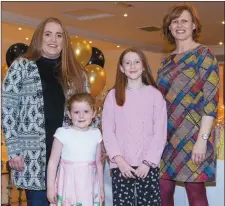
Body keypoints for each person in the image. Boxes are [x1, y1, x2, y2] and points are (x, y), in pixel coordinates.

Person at [1, 17, 88, 206]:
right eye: (48, 34)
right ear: (39, 37)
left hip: (70, 157)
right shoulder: (21, 67)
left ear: (65, 41)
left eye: (59, 35)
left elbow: (88, 112)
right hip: (31, 157)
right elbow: (7, 110)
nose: (53, 40)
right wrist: (13, 150)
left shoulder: (76, 73)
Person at [156, 4, 220, 206]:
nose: (179, 25)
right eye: (174, 21)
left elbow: (211, 101)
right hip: (166, 138)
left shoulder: (204, 55)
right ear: (169, 27)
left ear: (194, 25)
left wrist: (202, 139)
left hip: (193, 135)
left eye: (184, 20)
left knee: (195, 192)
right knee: (163, 190)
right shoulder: (166, 61)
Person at [102, 48, 167, 206]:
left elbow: (160, 132)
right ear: (121, 68)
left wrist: (148, 163)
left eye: (137, 62)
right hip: (122, 165)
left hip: (148, 165)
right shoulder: (113, 95)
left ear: (144, 66)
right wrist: (119, 160)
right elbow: (108, 131)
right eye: (128, 62)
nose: (132, 66)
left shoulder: (155, 95)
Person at [47, 93, 104, 206]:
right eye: (76, 112)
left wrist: (101, 189)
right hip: (68, 186)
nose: (81, 116)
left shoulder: (96, 134)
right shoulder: (62, 133)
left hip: (88, 187)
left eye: (86, 112)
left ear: (93, 113)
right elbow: (53, 162)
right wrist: (50, 188)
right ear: (69, 114)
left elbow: (99, 164)